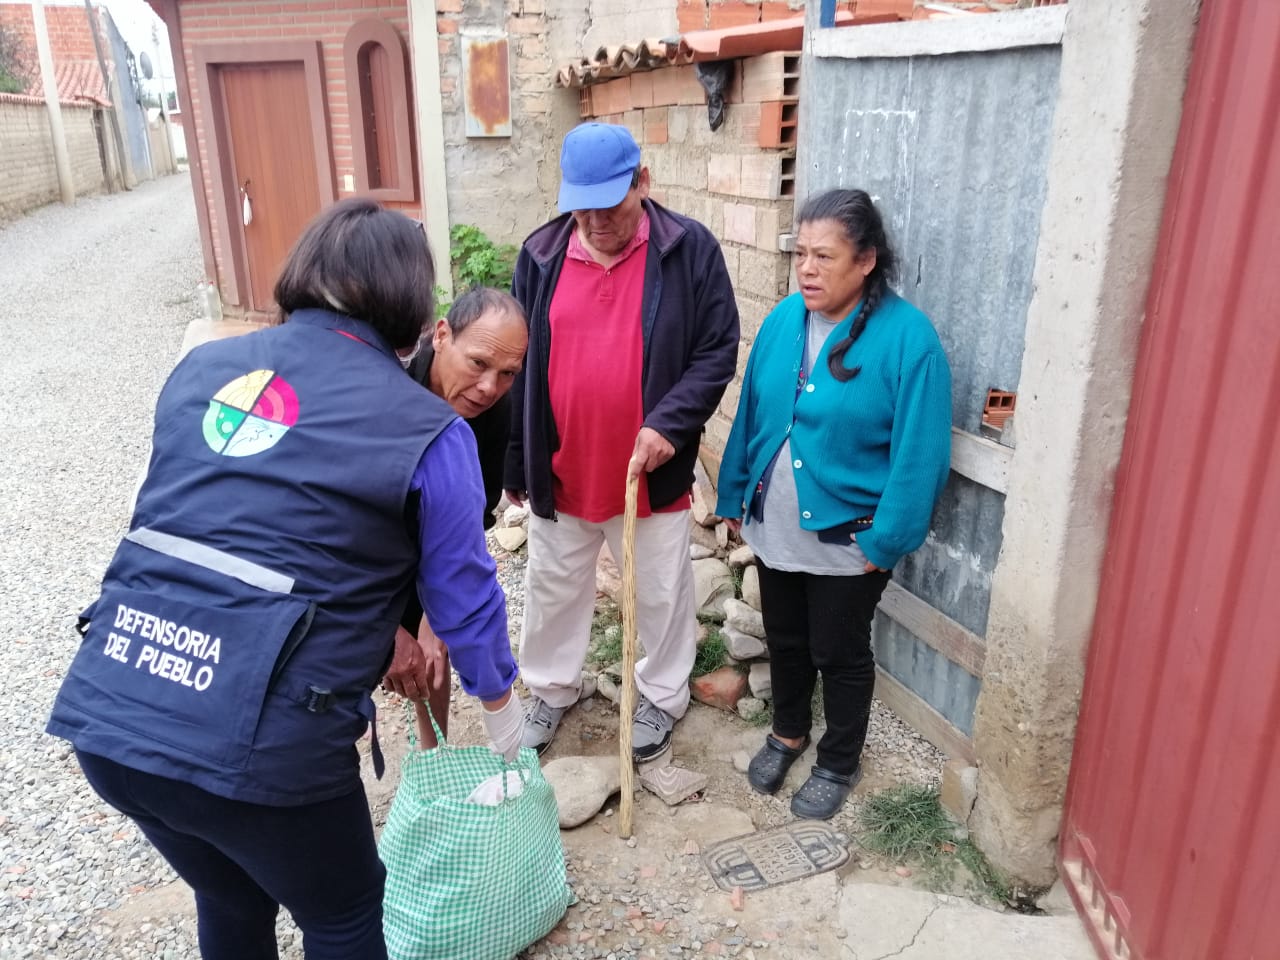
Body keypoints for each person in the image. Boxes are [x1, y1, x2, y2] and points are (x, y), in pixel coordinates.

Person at [45, 198, 523, 960]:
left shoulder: (200, 371)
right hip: (256, 743)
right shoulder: (426, 427)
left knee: (231, 889)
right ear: (414, 311)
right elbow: (465, 599)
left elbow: (183, 523)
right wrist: (503, 715)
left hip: (112, 712)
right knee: (343, 912)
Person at [505, 122, 740, 761]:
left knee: (661, 593)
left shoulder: (688, 250)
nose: (595, 221)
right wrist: (519, 458)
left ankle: (661, 698)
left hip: (647, 473)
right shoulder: (543, 254)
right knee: (552, 588)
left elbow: (716, 351)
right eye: (582, 206)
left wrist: (670, 424)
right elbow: (519, 365)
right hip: (565, 467)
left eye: (609, 206)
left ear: (642, 181)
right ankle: (552, 690)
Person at [715, 188, 952, 820]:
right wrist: (735, 491)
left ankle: (838, 760)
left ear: (867, 259)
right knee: (786, 639)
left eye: (825, 256)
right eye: (801, 254)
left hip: (851, 538)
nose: (808, 269)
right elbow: (753, 415)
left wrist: (887, 541)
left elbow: (921, 455)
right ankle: (788, 732)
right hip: (776, 526)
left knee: (839, 652)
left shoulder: (910, 340)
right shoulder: (783, 320)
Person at [381, 286, 528, 748]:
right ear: (442, 334)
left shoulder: (495, 409)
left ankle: (433, 752)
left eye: (508, 373)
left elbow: (477, 509)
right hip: (373, 537)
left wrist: (432, 617)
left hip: (438, 534)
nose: (489, 387)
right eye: (478, 364)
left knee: (435, 647)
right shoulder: (390, 384)